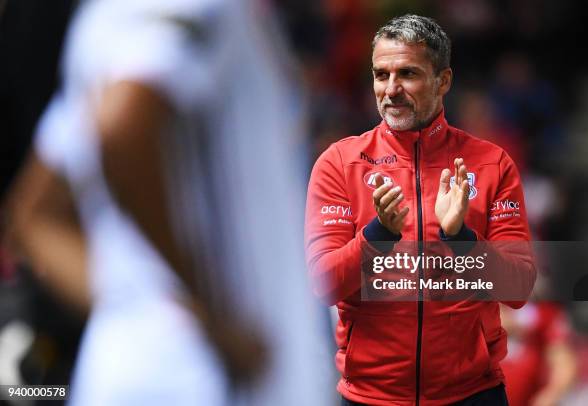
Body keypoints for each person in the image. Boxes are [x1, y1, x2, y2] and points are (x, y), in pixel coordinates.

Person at [5, 0, 334, 404]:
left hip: (160, 369)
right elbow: (123, 128)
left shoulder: (114, 19)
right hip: (201, 383)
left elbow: (38, 213)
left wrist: (136, 307)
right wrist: (205, 317)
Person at [305, 14, 536, 405]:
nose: (390, 89)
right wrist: (378, 237)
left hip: (473, 394)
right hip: (369, 397)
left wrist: (461, 238)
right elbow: (323, 284)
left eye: (407, 74)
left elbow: (518, 288)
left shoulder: (492, 163)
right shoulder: (339, 163)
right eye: (381, 75)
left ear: (443, 81)